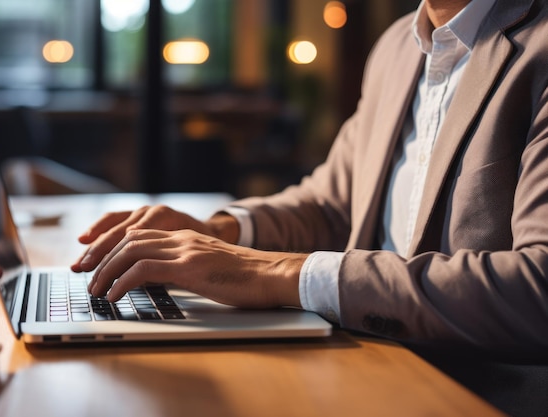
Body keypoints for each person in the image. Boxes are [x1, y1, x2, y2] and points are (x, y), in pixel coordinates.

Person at [73, 0, 548, 360]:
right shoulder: (397, 48)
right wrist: (217, 231)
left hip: (476, 389)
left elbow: (537, 289)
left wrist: (277, 273)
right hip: (367, 356)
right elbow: (332, 204)